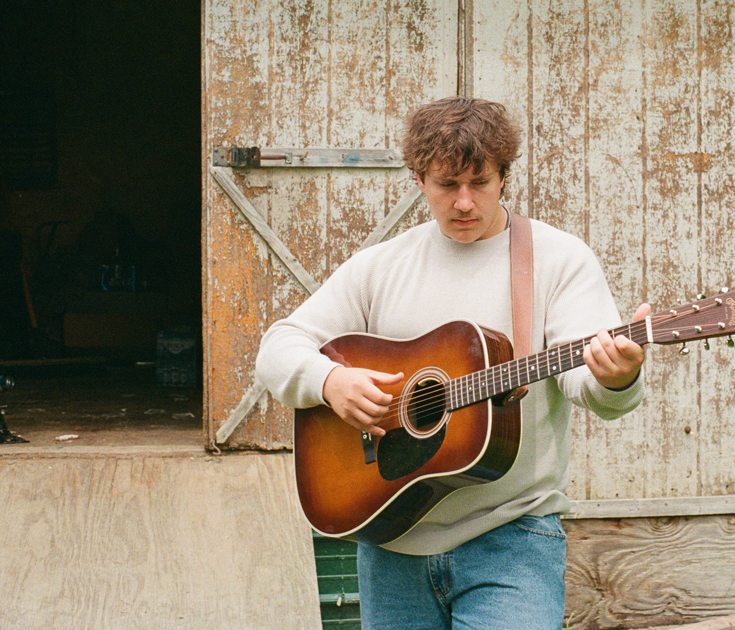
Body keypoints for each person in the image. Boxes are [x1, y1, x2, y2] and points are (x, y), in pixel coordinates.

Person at [255, 96, 648, 629]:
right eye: (446, 185)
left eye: (479, 183)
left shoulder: (557, 260)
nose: (464, 202)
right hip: (391, 540)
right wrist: (331, 381)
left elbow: (590, 385)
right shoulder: (381, 266)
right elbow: (279, 346)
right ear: (419, 179)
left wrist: (617, 377)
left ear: (504, 176)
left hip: (513, 537)